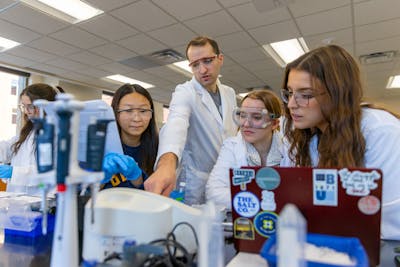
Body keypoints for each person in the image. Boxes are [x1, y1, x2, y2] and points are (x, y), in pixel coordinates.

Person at [279, 44, 400, 240]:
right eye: (290, 93)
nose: (292, 104)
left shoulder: (380, 131)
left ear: (337, 93)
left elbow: (390, 221)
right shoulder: (308, 136)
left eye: (306, 95)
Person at [144, 36, 237, 205]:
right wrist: (166, 165)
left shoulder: (229, 93)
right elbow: (175, 124)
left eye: (207, 61)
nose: (202, 70)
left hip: (225, 180)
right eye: (195, 65)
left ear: (220, 58)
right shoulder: (185, 92)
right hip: (197, 183)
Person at [206, 90, 283, 210]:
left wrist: (244, 198)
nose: (246, 124)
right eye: (242, 115)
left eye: (257, 117)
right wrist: (263, 201)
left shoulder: (290, 149)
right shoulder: (231, 146)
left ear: (274, 123)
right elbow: (213, 193)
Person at [0, 83, 57, 192]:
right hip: (16, 198)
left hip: (41, 199)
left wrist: (14, 172)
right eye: (23, 106)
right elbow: (7, 148)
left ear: (46, 106)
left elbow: (51, 172)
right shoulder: (28, 132)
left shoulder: (57, 135)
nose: (26, 111)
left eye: (30, 106)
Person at [101, 83, 158, 189]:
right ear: (116, 114)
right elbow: (85, 195)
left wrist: (137, 178)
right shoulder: (100, 147)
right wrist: (99, 177)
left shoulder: (158, 149)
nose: (136, 118)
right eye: (128, 110)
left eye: (143, 111)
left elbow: (157, 195)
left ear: (151, 114)